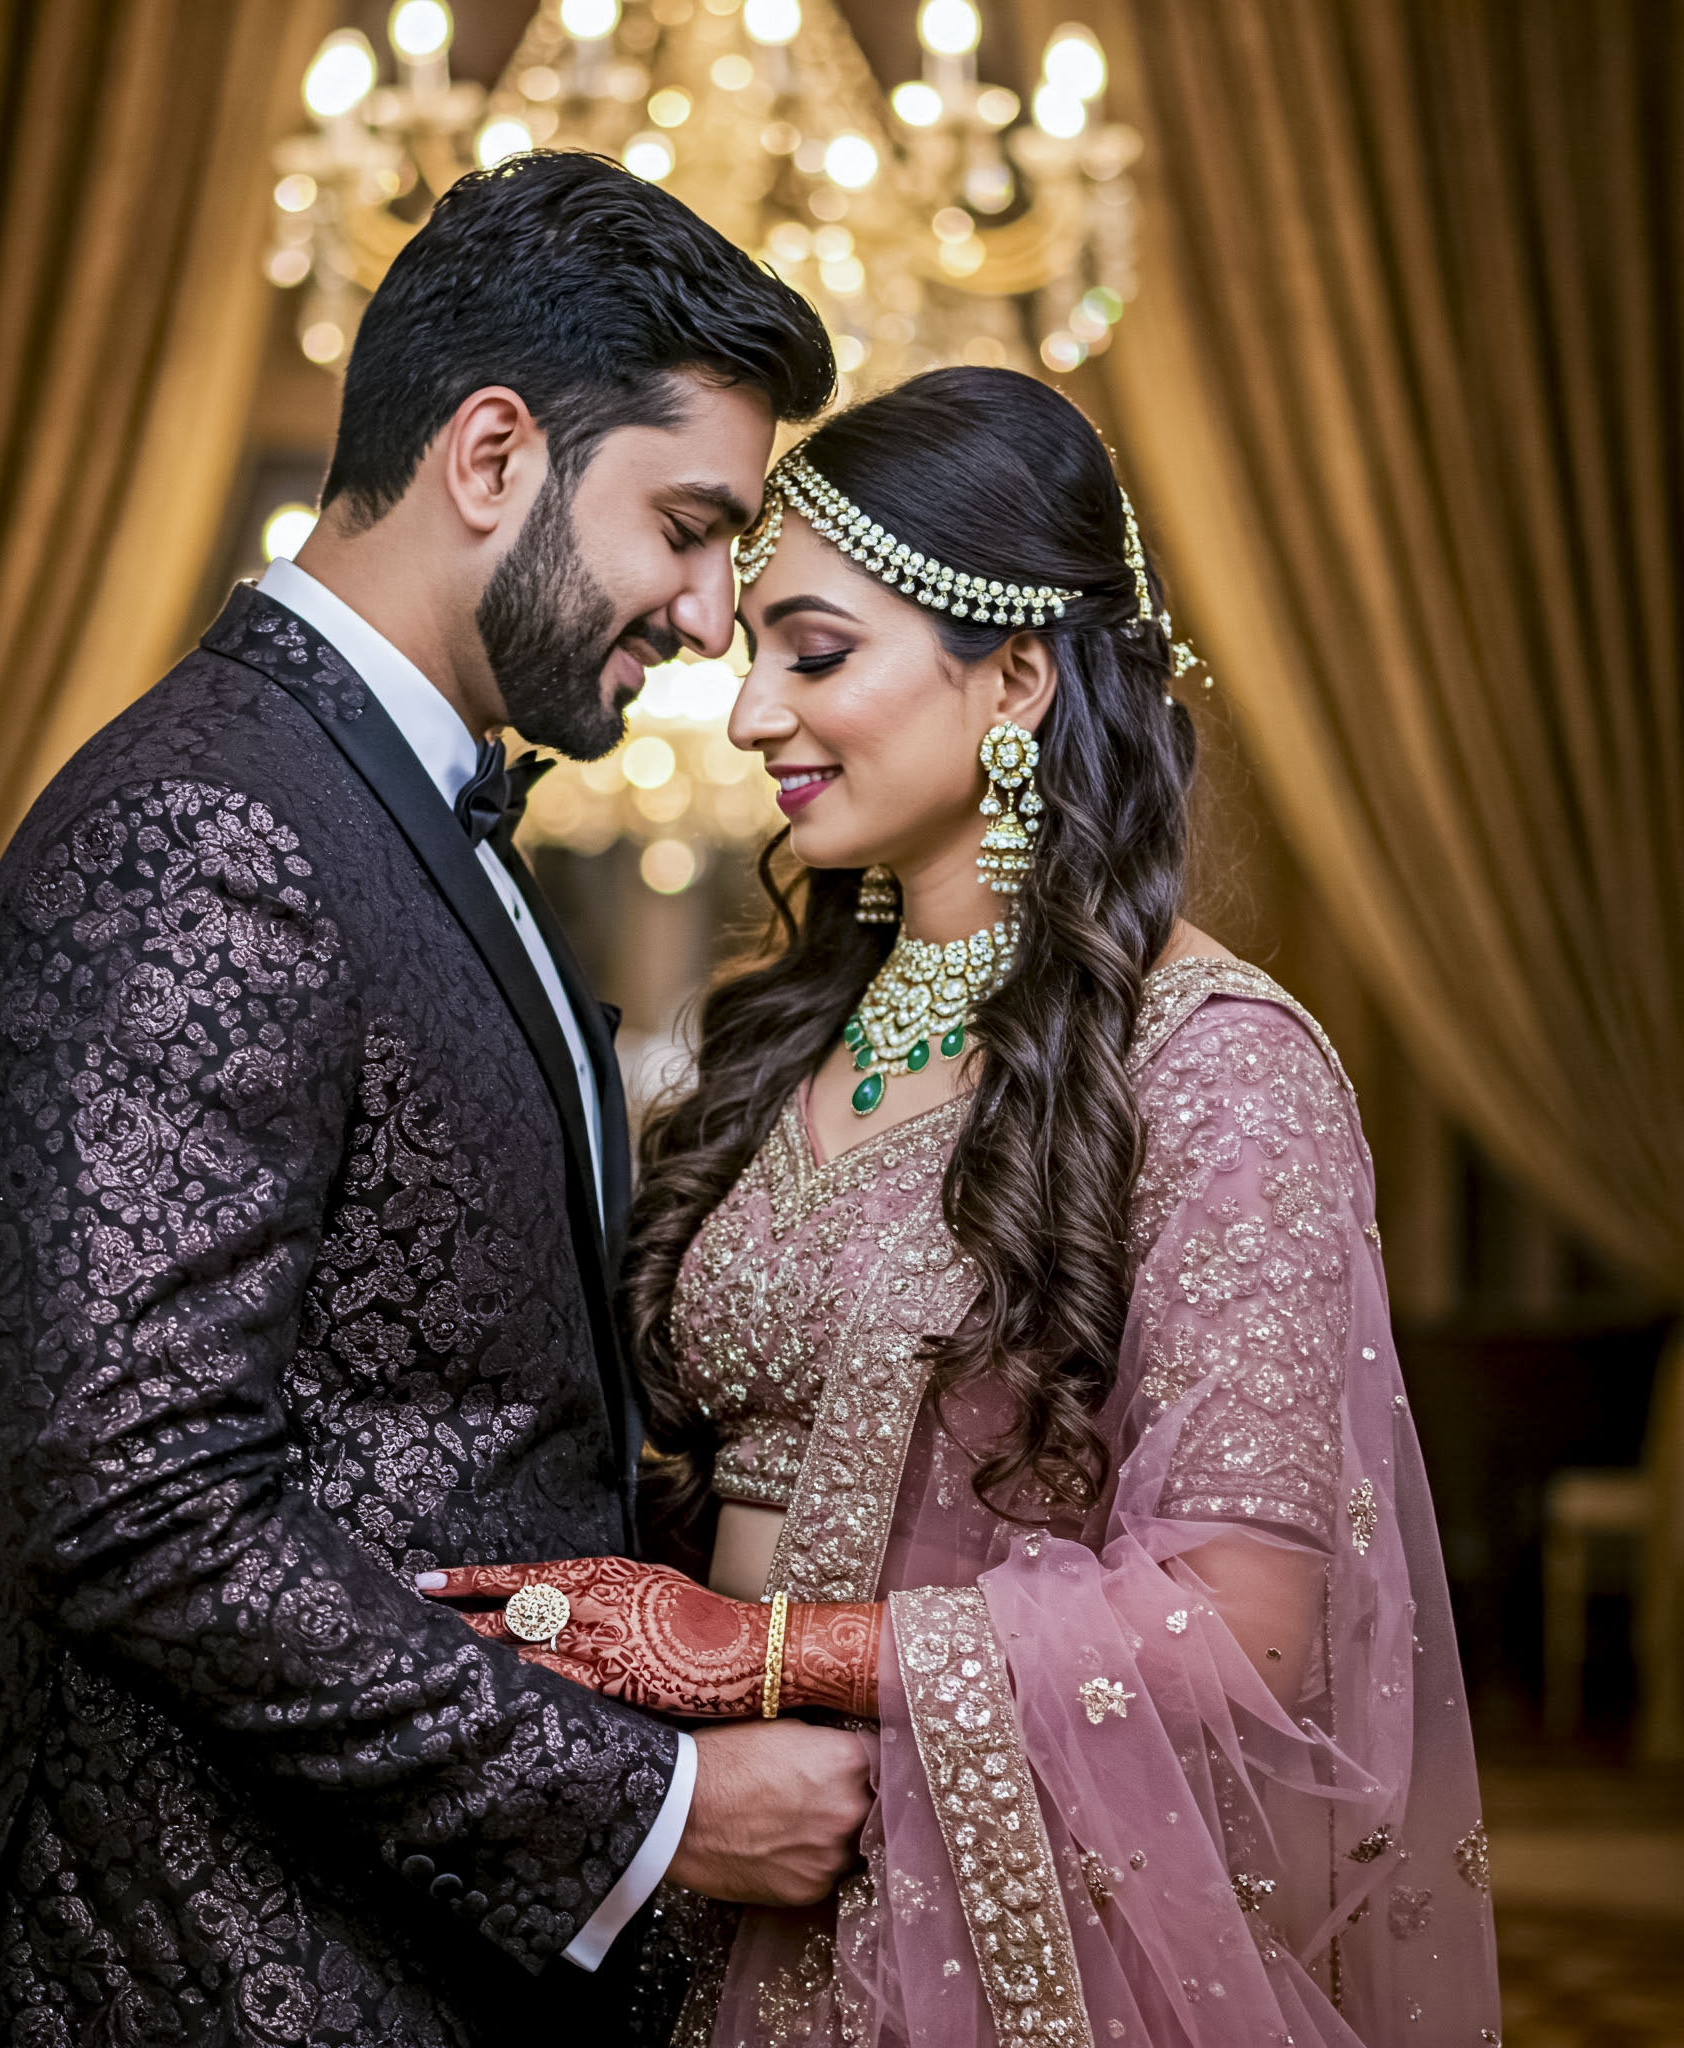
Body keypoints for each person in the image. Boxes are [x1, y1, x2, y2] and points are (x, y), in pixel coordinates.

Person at [423, 368, 1505, 2045]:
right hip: (722, 1887)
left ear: (1015, 674)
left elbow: (1243, 1633)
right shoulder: (788, 1032)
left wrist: (759, 1653)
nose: (750, 715)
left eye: (817, 654)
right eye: (754, 654)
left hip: (1014, 1946)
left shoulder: (1218, 1067)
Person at [0, 152, 873, 2048]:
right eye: (686, 528)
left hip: (409, 1950)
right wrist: (653, 1808)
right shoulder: (206, 826)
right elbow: (137, 1504)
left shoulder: (409, 805)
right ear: (494, 455)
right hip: (200, 1968)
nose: (710, 622)